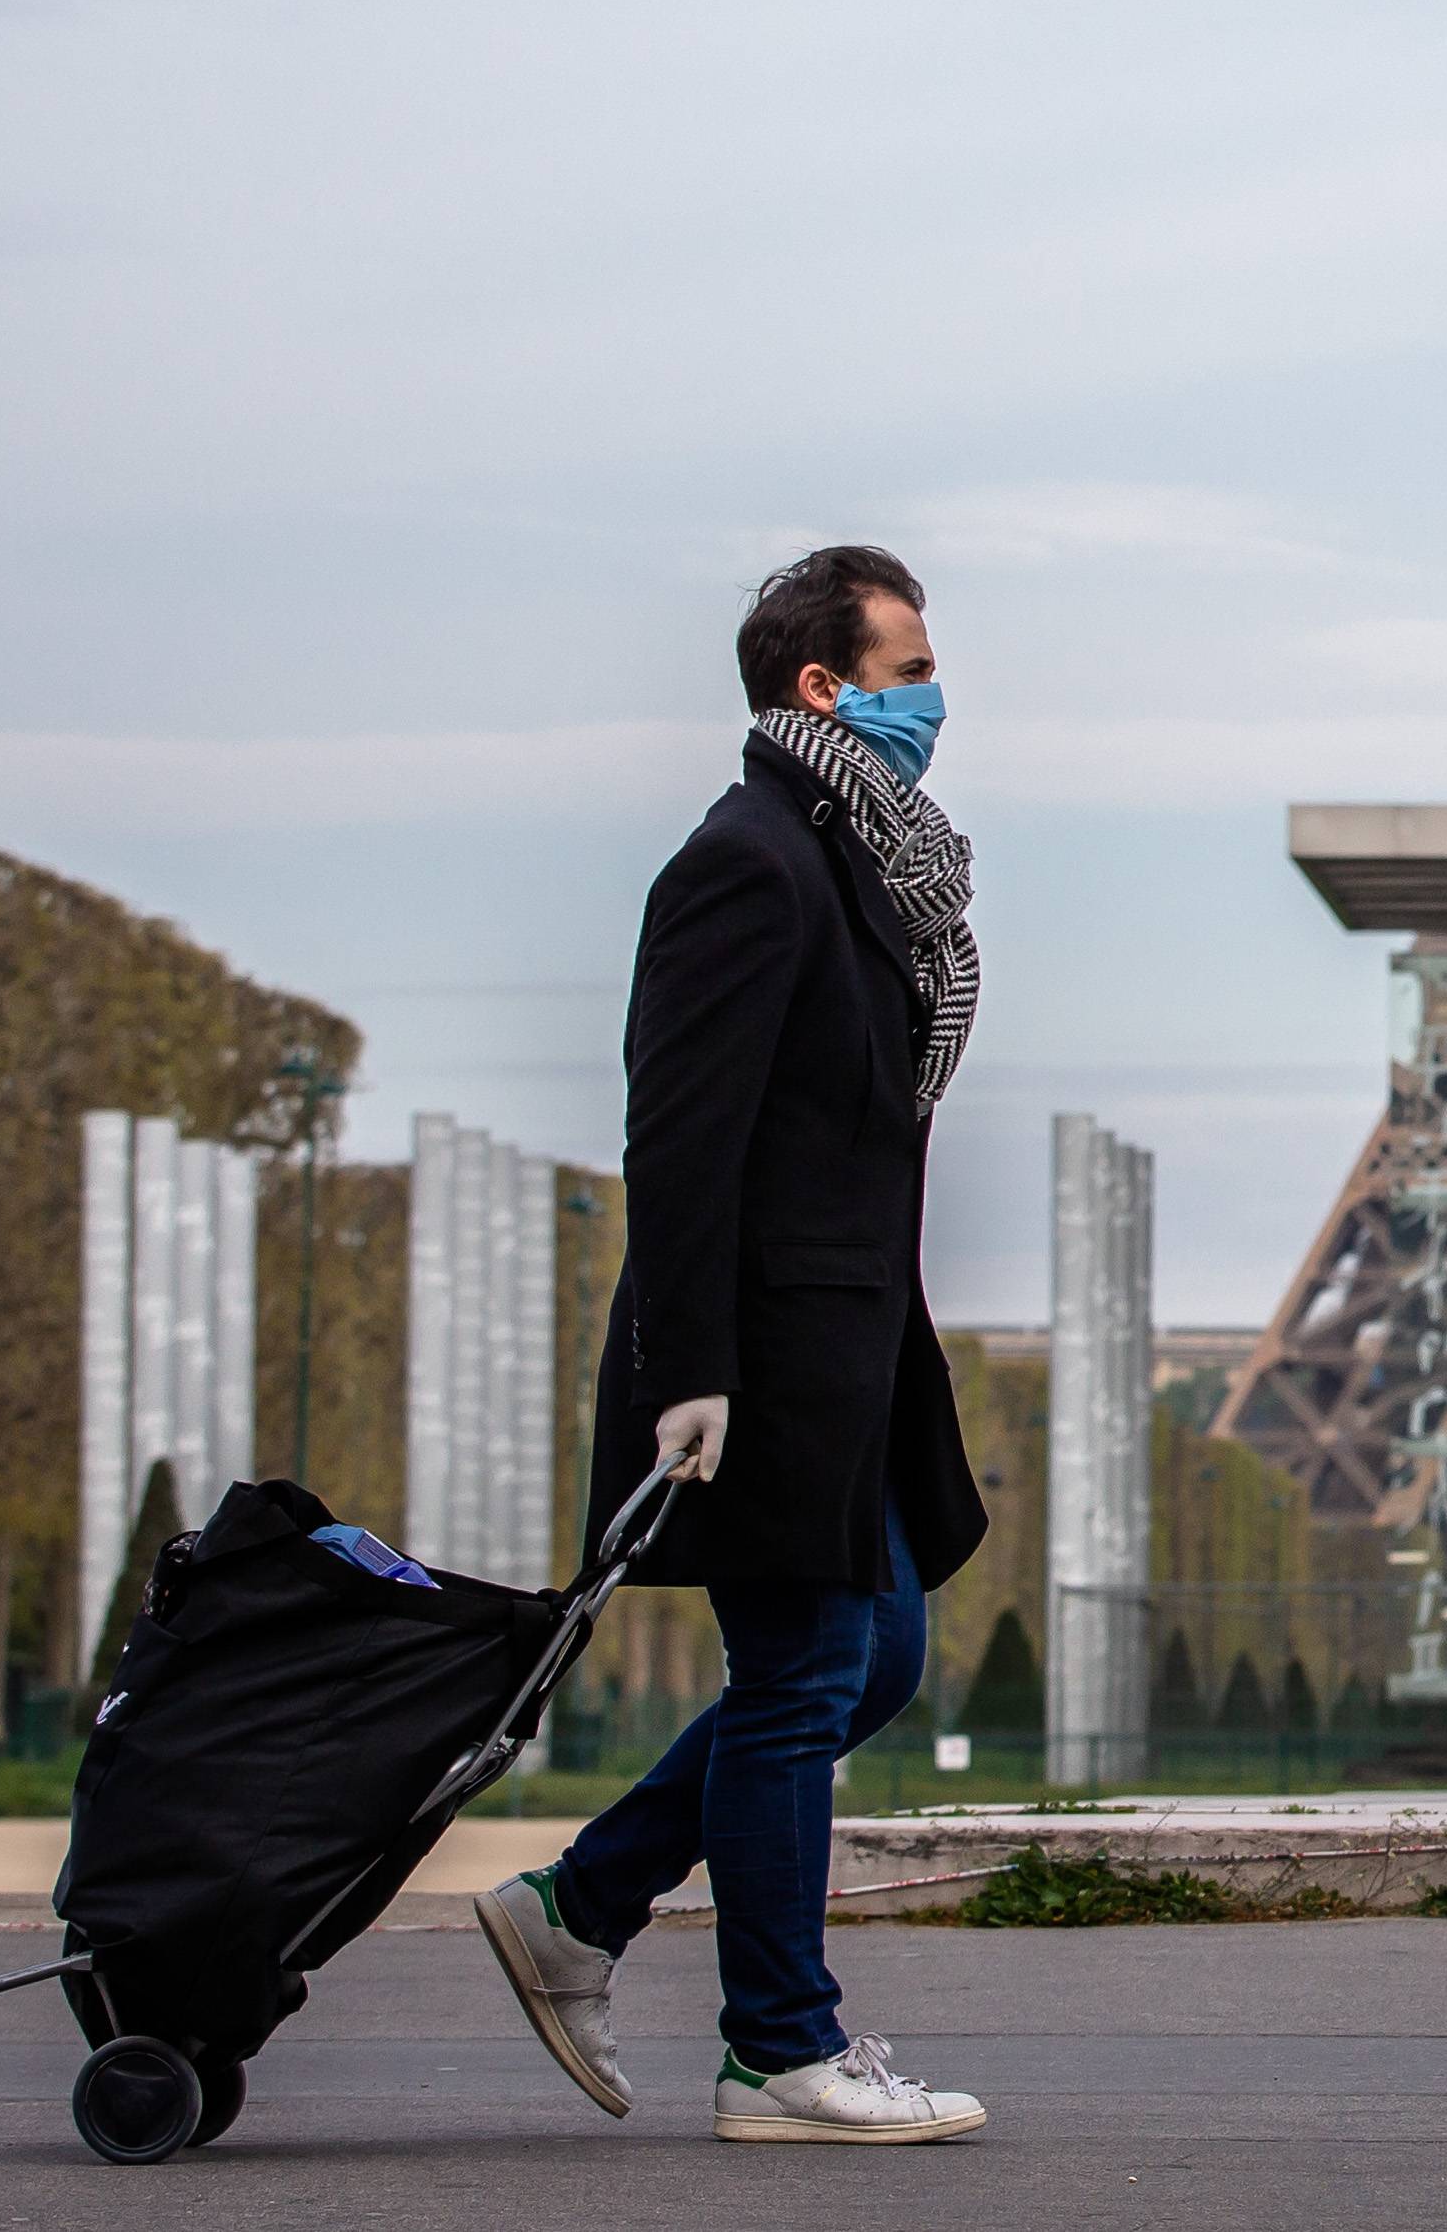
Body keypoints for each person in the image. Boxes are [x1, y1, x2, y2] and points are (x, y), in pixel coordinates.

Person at [473, 544, 993, 2145]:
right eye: (908, 669)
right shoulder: (750, 860)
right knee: (795, 1681)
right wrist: (687, 1368)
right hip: (760, 1356)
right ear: (823, 688)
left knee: (879, 1656)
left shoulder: (860, 857)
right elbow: (678, 1137)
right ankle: (780, 2050)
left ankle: (584, 1901)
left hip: (844, 1347)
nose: (934, 696)